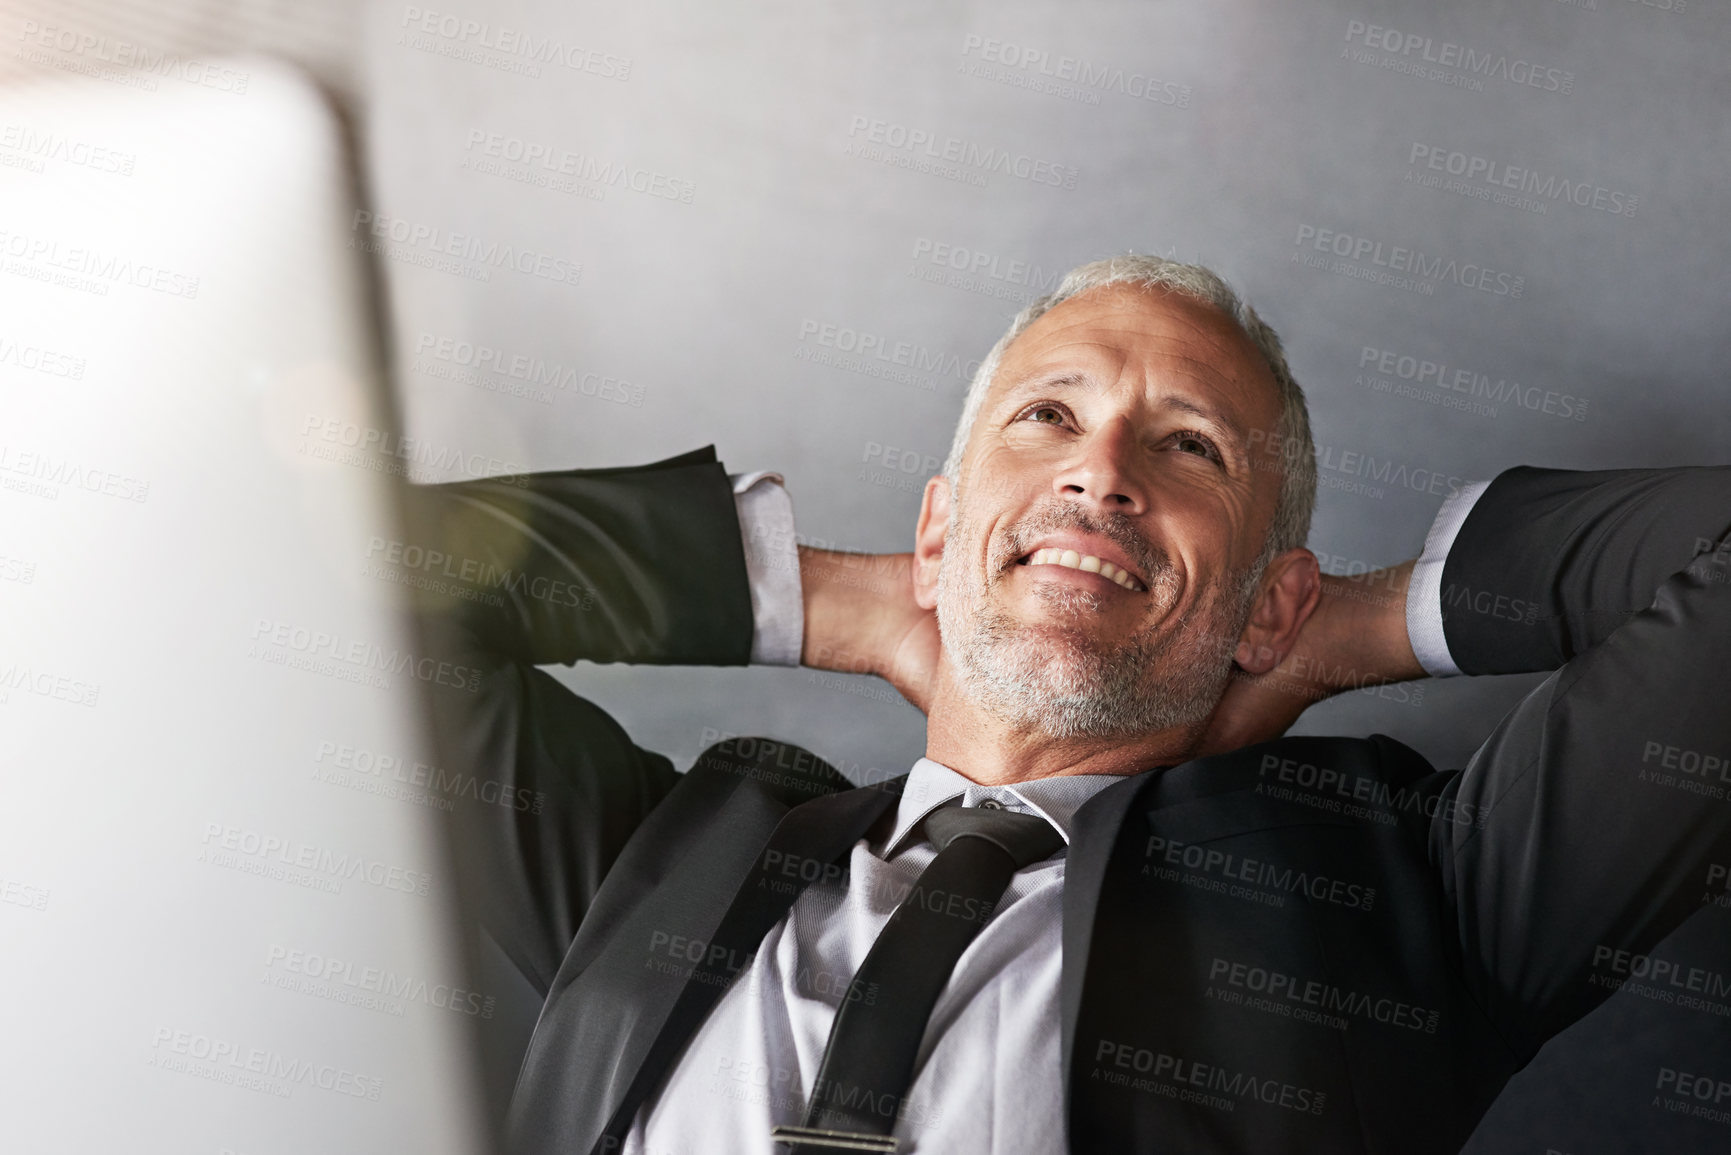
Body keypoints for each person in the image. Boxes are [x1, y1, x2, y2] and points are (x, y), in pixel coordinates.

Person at [403, 256, 1731, 1154]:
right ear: (936, 535)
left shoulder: (1417, 890)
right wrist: (814, 599)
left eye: (1187, 446)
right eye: (1048, 415)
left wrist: (1353, 628)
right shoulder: (671, 865)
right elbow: (310, 586)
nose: (1101, 469)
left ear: (1269, 600)